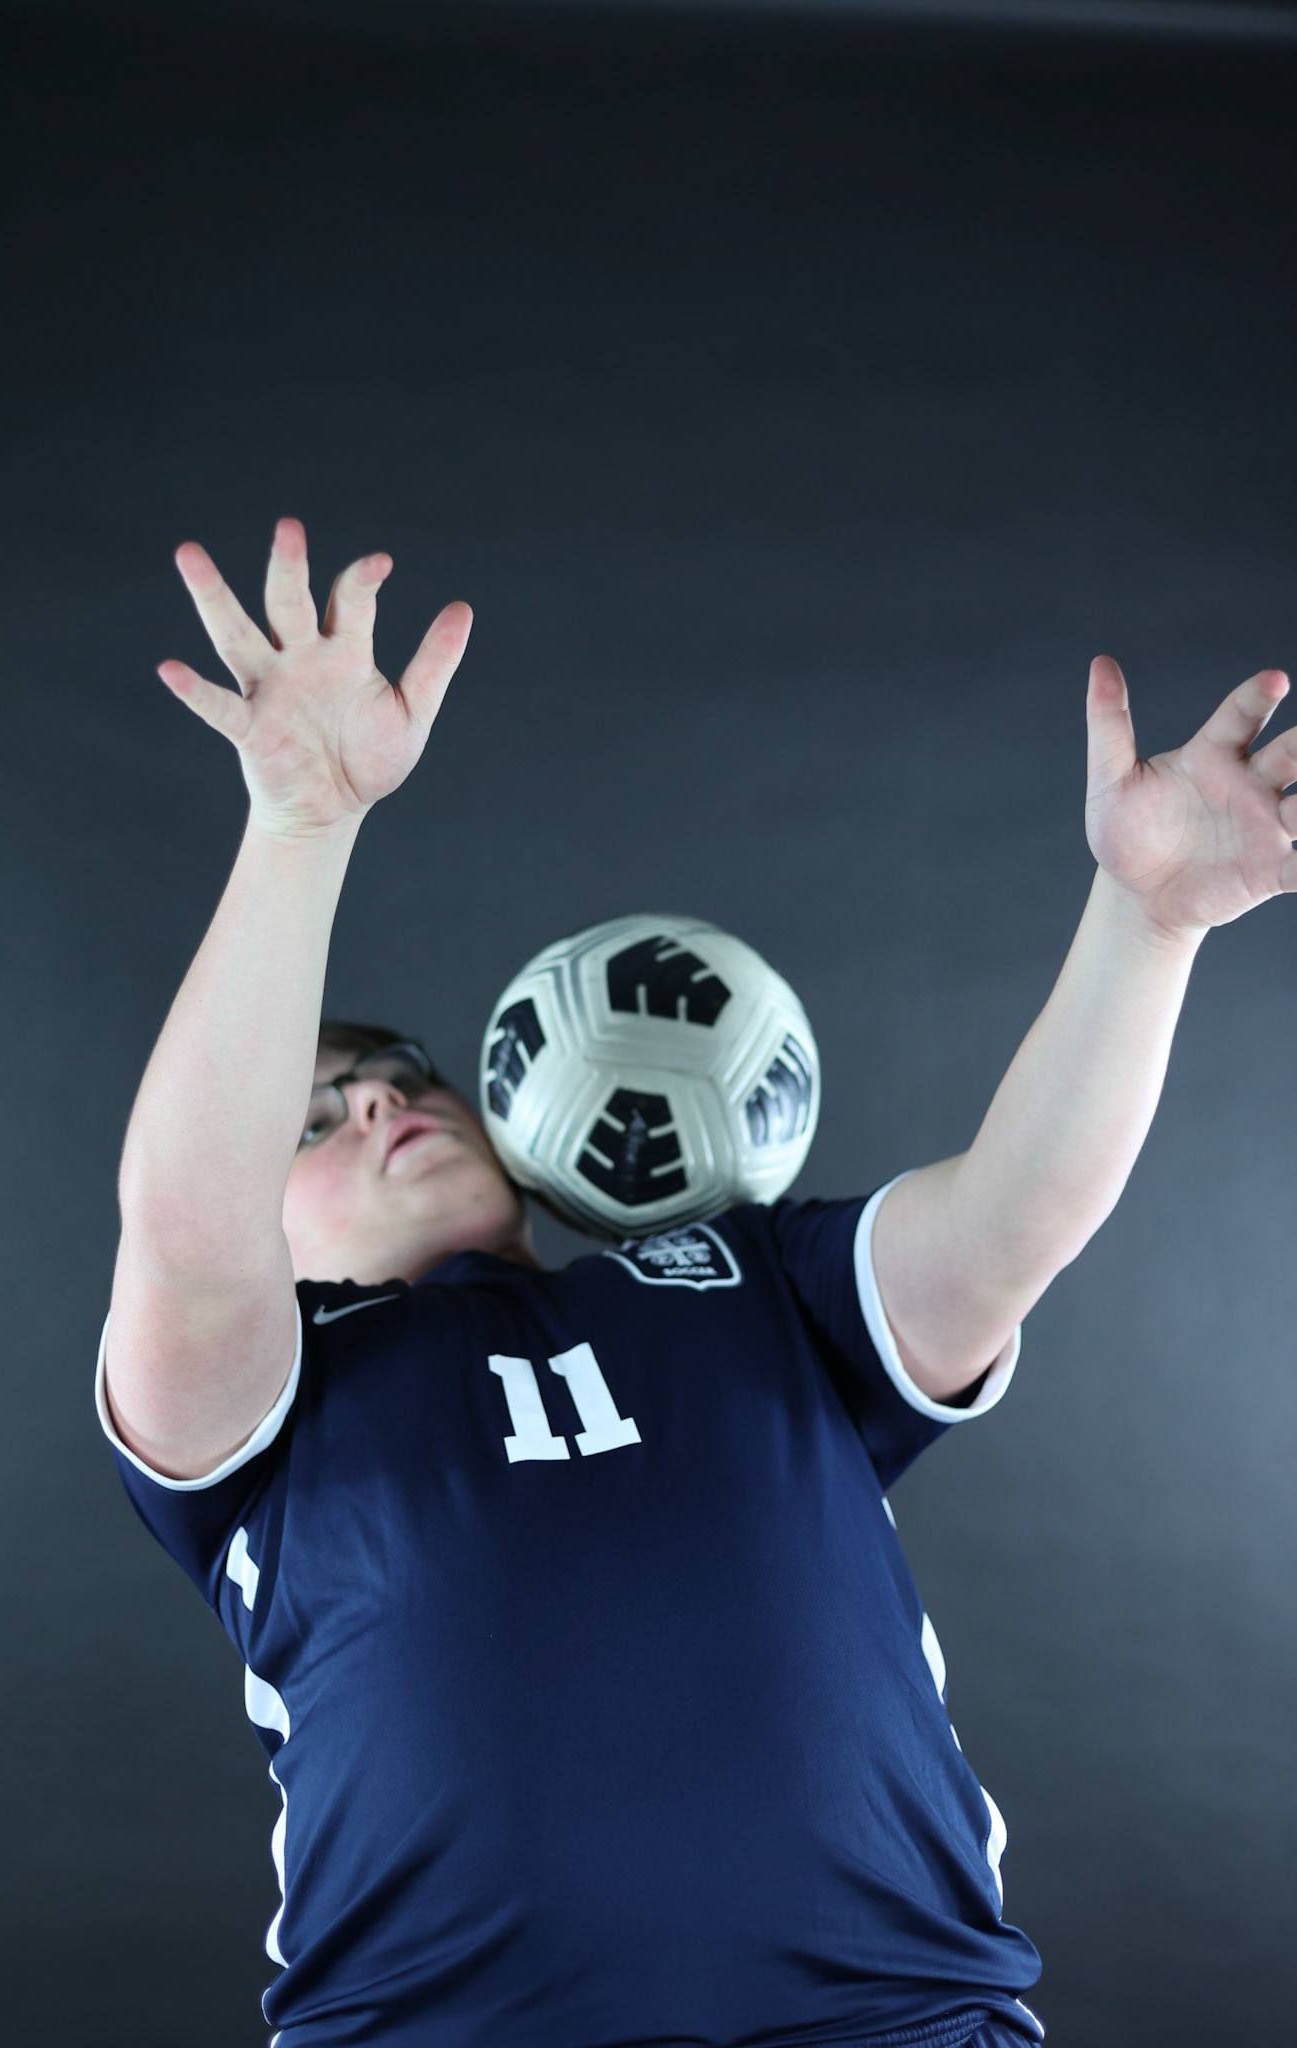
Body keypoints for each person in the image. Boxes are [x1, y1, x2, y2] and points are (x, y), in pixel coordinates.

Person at [99, 518, 1297, 2048]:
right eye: (312, 1122)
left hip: (894, 2025)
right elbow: (187, 1232)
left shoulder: (743, 1278)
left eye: (398, 1079)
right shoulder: (259, 1404)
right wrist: (300, 825)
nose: (384, 1107)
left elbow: (1010, 1224)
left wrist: (1146, 925)